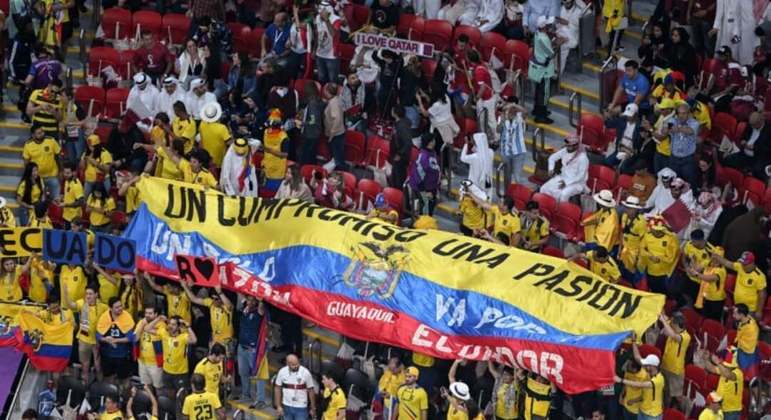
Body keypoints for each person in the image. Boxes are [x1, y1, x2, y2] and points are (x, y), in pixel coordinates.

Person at [63, 284, 106, 383]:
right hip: (83, 340)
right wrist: (66, 294)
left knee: (98, 366)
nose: (88, 296)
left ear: (96, 294)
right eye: (86, 294)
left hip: (96, 341)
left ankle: (100, 387)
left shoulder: (103, 307)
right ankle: (84, 387)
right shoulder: (82, 303)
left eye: (90, 294)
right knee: (85, 366)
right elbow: (71, 305)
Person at [151, 315, 197, 395]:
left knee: (182, 396)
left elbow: (194, 340)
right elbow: (147, 329)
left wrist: (188, 326)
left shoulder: (183, 337)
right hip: (167, 371)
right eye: (170, 324)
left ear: (179, 326)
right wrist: (158, 319)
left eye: (173, 324)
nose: (171, 326)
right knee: (170, 395)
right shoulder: (164, 333)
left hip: (181, 373)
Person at [712, 251, 767, 317]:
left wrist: (759, 311)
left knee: (746, 326)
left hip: (749, 309)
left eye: (745, 264)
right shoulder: (740, 266)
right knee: (736, 325)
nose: (743, 265)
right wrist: (718, 257)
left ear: (752, 263)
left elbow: (762, 295)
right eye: (742, 263)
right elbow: (728, 263)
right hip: (737, 305)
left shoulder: (759, 276)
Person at [236, 295, 268, 406]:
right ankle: (246, 394)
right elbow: (239, 293)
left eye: (252, 300)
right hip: (241, 347)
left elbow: (261, 308)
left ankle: (260, 400)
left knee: (258, 374)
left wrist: (260, 300)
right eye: (248, 299)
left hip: (253, 349)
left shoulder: (259, 311)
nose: (250, 302)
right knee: (243, 372)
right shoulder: (244, 309)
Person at [96, 297, 136, 387]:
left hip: (122, 355)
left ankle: (123, 397)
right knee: (108, 378)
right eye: (117, 307)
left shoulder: (127, 317)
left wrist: (115, 340)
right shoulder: (104, 317)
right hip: (107, 355)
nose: (120, 309)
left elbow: (131, 338)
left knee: (124, 379)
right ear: (110, 308)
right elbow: (98, 336)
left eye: (120, 306)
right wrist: (106, 339)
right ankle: (111, 396)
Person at [615, 353, 665, 420]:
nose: (644, 367)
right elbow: (637, 358)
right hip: (642, 411)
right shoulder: (649, 374)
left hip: (652, 415)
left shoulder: (658, 380)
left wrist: (621, 380)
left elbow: (639, 384)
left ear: (652, 366)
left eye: (647, 365)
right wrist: (634, 342)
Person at [540, 134, 589, 202]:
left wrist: (566, 182)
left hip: (577, 183)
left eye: (570, 145)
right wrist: (551, 169)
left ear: (576, 145)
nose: (567, 147)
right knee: (544, 188)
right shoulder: (565, 150)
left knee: (563, 194)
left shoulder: (582, 158)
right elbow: (552, 158)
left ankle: (561, 210)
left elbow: (580, 176)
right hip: (563, 177)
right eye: (567, 145)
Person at [638, 216, 680, 295]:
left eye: (659, 230)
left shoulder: (670, 239)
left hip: (663, 272)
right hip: (650, 269)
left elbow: (671, 257)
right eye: (654, 230)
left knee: (663, 290)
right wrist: (650, 256)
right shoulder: (647, 236)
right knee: (651, 287)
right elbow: (641, 249)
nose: (656, 232)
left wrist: (659, 258)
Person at [659, 312, 690, 409]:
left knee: (676, 396)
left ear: (677, 325)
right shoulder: (672, 326)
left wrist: (664, 321)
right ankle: (665, 410)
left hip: (675, 370)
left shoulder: (685, 337)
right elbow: (665, 316)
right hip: (665, 365)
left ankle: (680, 412)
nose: (670, 324)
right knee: (665, 391)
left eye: (672, 323)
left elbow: (673, 335)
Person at [711, 0, 757, 65]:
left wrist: (740, 31)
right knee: (723, 50)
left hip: (738, 30)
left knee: (735, 52)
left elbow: (747, 15)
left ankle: (736, 70)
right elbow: (719, 12)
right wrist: (716, 26)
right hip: (725, 28)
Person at [687, 246, 727, 321]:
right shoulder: (708, 262)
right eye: (712, 254)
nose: (712, 256)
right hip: (705, 295)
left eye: (714, 255)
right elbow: (696, 269)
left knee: (713, 319)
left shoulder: (721, 270)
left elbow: (709, 278)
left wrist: (696, 274)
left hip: (715, 300)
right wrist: (693, 260)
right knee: (703, 316)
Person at [23, 124, 61, 200]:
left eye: (42, 132)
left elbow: (58, 157)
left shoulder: (51, 140)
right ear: (33, 135)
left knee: (56, 200)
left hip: (52, 175)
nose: (42, 134)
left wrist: (61, 171)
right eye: (39, 133)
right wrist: (30, 177)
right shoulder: (28, 145)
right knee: (40, 201)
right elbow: (26, 163)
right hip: (37, 178)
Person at [529, 16, 556, 124]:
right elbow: (551, 53)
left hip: (538, 68)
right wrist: (558, 43)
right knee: (544, 94)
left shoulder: (537, 34)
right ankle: (541, 115)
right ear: (544, 26)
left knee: (538, 91)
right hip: (544, 71)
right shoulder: (544, 38)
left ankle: (537, 110)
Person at [275, 353, 316, 420]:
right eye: (293, 365)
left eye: (297, 363)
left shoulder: (305, 372)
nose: (296, 366)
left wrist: (313, 407)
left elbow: (311, 390)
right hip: (286, 405)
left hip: (301, 407)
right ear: (288, 364)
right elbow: (277, 388)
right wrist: (278, 406)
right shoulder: (282, 372)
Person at [407, 133, 440, 216]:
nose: (435, 141)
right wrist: (424, 191)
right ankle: (424, 227)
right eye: (433, 140)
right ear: (430, 142)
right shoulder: (423, 156)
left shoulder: (433, 152)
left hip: (432, 186)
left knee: (431, 207)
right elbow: (417, 174)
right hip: (424, 188)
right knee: (426, 210)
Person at [704, 350, 743, 420]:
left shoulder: (738, 373)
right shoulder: (724, 370)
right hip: (721, 408)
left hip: (731, 411)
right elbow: (711, 368)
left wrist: (718, 362)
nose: (724, 366)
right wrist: (706, 358)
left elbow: (727, 374)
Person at [133, 306, 165, 391]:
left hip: (156, 363)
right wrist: (142, 324)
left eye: (150, 313)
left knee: (158, 388)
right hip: (142, 361)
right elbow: (135, 338)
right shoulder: (141, 322)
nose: (147, 315)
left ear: (156, 314)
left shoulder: (162, 324)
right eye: (146, 313)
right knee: (146, 387)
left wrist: (156, 320)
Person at [667, 104, 700, 186]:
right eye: (679, 113)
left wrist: (677, 128)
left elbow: (690, 131)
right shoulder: (673, 120)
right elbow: (665, 129)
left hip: (688, 159)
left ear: (688, 114)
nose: (681, 115)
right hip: (674, 158)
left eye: (684, 113)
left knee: (689, 183)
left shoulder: (695, 123)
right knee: (674, 182)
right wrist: (668, 127)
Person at [261, 108, 290, 195]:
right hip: (267, 166)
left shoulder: (284, 138)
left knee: (274, 193)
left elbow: (284, 154)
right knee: (265, 192)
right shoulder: (266, 132)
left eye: (272, 127)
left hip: (277, 170)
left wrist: (269, 150)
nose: (270, 129)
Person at [498, 102, 528, 186]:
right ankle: (508, 196)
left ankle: (520, 196)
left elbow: (525, 112)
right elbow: (498, 130)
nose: (510, 112)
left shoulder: (520, 117)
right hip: (505, 152)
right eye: (508, 110)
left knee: (517, 177)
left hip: (518, 152)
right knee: (507, 177)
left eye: (512, 110)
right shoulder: (502, 118)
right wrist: (502, 121)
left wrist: (514, 105)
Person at [460, 132, 495, 199]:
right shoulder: (491, 152)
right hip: (487, 180)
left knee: (476, 200)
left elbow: (462, 158)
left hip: (475, 182)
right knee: (487, 198)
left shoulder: (474, 157)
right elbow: (482, 150)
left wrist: (466, 144)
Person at [199, 101, 232, 169]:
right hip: (218, 161)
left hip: (206, 158)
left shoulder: (202, 124)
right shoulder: (222, 128)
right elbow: (229, 142)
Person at [323, 83, 346, 172]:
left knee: (338, 159)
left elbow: (337, 119)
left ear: (328, 92)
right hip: (337, 134)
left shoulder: (334, 103)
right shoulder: (335, 100)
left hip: (336, 135)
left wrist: (332, 134)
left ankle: (342, 176)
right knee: (337, 157)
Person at [732, 304, 760, 377]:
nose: (733, 315)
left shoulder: (752, 329)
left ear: (741, 315)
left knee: (739, 373)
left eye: (735, 314)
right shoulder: (745, 319)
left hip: (747, 353)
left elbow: (749, 347)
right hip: (741, 347)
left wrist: (737, 344)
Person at [391, 105, 413, 189]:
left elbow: (408, 143)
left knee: (399, 181)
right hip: (397, 156)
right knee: (394, 179)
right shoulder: (399, 124)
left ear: (395, 113)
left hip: (401, 158)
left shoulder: (402, 127)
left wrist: (399, 154)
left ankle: (400, 198)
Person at [16, 162, 44, 226]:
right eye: (34, 171)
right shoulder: (24, 184)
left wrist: (41, 206)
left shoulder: (40, 180)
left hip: (37, 207)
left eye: (37, 170)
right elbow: (18, 200)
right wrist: (30, 206)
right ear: (29, 172)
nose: (36, 172)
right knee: (26, 226)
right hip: (26, 207)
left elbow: (43, 194)